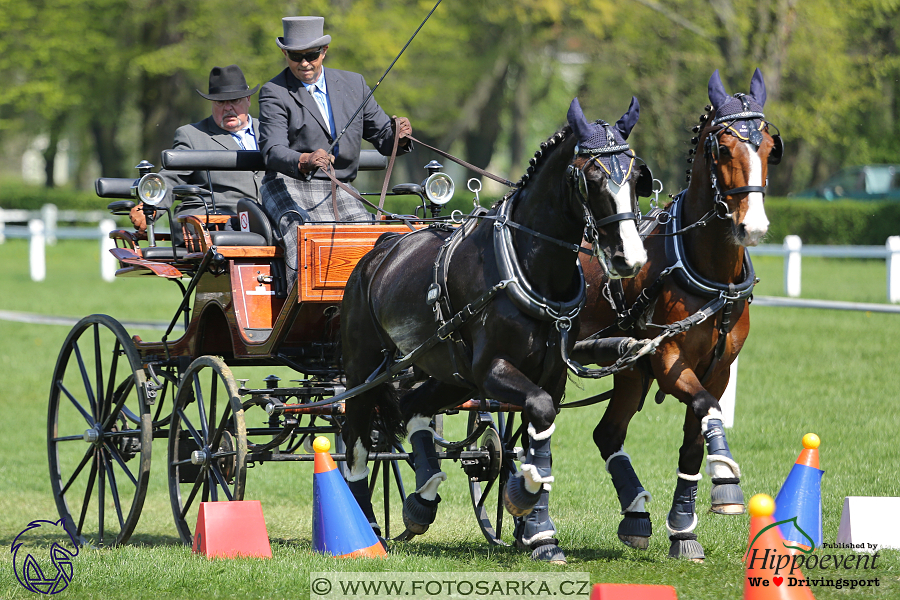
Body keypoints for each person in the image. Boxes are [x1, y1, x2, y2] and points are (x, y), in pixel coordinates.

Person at [258, 16, 413, 289]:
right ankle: (305, 318)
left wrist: (398, 137)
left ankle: (362, 311)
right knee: (303, 239)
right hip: (289, 183)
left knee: (366, 239)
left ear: (324, 52)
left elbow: (382, 138)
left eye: (311, 55)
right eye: (296, 56)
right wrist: (304, 160)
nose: (304, 63)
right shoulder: (274, 91)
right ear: (285, 53)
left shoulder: (354, 84)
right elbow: (272, 149)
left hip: (338, 186)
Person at [130, 64, 264, 245]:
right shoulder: (192, 135)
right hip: (218, 222)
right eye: (220, 102)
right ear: (211, 103)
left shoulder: (270, 131)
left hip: (269, 219)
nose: (228, 108)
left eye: (235, 100)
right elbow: (171, 179)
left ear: (248, 99)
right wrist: (151, 206)